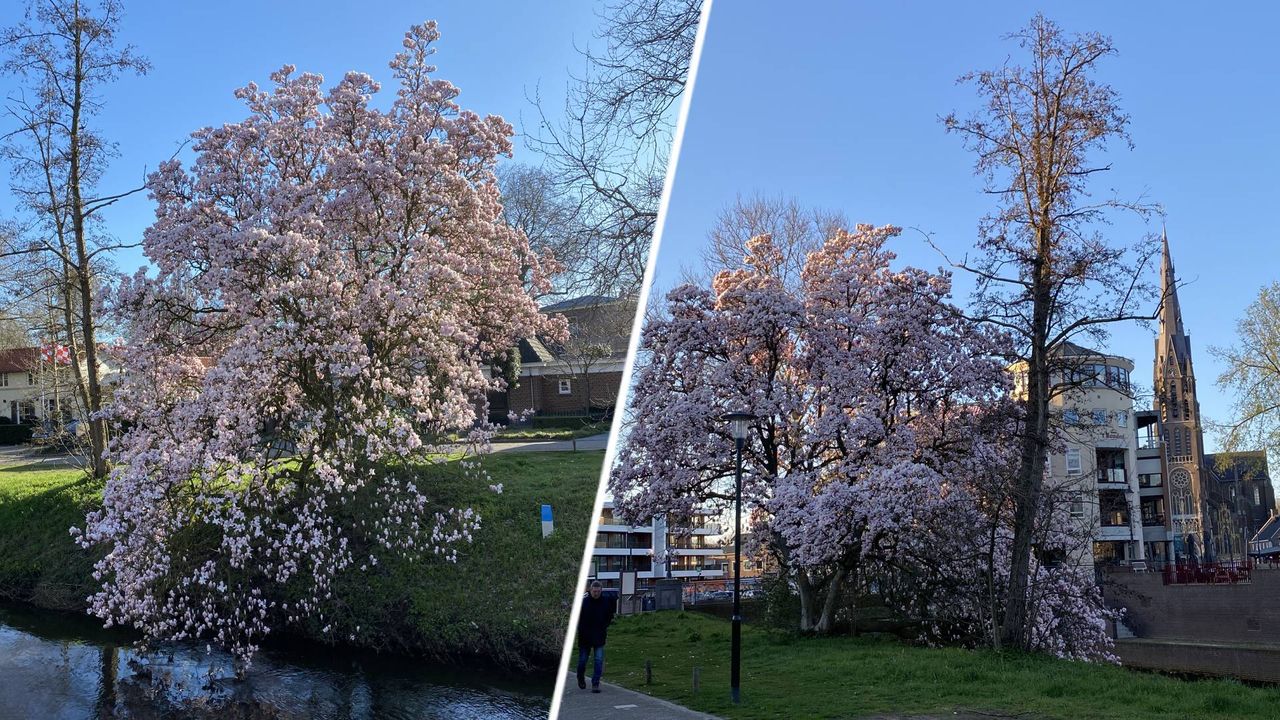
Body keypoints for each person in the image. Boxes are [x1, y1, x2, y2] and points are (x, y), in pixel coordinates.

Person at [576, 580, 615, 692]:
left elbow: (609, 616)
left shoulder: (606, 602)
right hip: (585, 635)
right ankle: (580, 676)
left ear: (601, 591)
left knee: (598, 660)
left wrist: (604, 625)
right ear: (590, 590)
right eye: (594, 591)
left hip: (599, 634)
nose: (596, 593)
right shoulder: (584, 602)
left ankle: (595, 684)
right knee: (583, 660)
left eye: (598, 591)